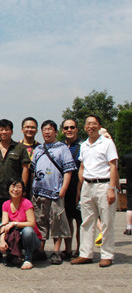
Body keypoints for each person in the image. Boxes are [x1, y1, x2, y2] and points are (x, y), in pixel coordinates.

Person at [71, 115, 119, 268]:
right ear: (84, 127)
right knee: (87, 222)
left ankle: (107, 254)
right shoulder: (84, 145)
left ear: (99, 126)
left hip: (104, 185)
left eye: (94, 124)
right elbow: (82, 167)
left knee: (107, 221)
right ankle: (85, 253)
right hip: (87, 185)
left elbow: (113, 166)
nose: (91, 126)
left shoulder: (107, 143)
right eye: (88, 124)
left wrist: (112, 188)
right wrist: (80, 188)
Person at [30, 120, 76, 264]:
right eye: (45, 129)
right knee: (40, 221)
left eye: (50, 129)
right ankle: (41, 249)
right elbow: (32, 170)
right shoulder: (38, 149)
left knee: (57, 221)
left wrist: (63, 189)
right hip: (38, 192)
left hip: (55, 191)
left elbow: (68, 170)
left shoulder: (62, 148)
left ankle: (56, 251)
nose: (47, 132)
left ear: (56, 132)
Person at [0, 119, 31, 214]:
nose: (4, 132)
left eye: (7, 129)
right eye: (1, 130)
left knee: (13, 219)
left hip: (14, 191)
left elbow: (25, 169)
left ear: (12, 131)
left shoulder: (19, 148)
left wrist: (23, 188)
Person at [0, 179, 42, 270]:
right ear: (8, 189)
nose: (15, 190)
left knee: (27, 230)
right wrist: (2, 241)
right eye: (13, 187)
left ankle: (28, 259)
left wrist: (14, 223)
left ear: (23, 190)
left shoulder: (27, 203)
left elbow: (32, 223)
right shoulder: (6, 204)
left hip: (32, 239)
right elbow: (4, 225)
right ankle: (15, 255)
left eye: (19, 187)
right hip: (17, 237)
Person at [61, 118, 83, 257]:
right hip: (65, 187)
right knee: (67, 219)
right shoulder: (61, 146)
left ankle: (80, 249)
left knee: (80, 220)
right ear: (63, 130)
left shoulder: (83, 145)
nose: (69, 130)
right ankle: (68, 249)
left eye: (72, 127)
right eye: (66, 127)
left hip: (79, 186)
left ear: (77, 129)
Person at [122, 152, 132, 235]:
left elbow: (122, 167)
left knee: (130, 207)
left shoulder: (127, 157)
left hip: (130, 184)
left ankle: (129, 227)